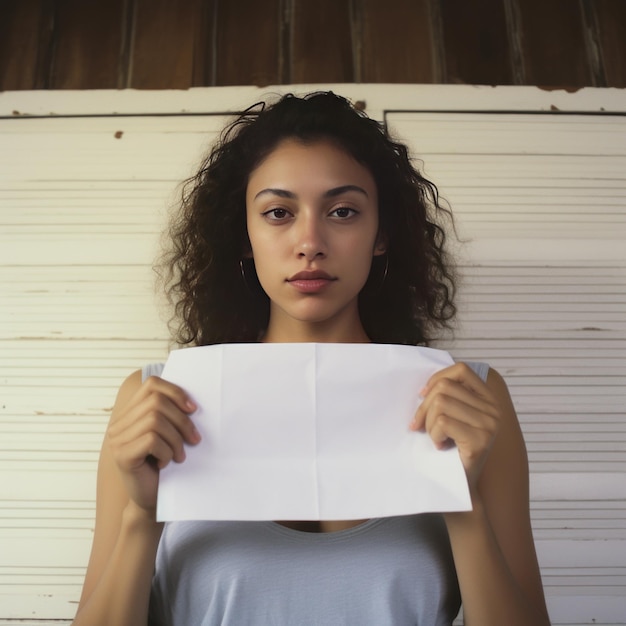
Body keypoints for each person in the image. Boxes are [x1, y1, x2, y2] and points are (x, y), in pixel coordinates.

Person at [73, 91, 550, 626]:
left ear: (381, 235)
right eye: (278, 212)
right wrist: (142, 516)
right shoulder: (155, 401)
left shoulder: (471, 400)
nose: (310, 242)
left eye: (342, 211)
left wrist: (463, 502)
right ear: (245, 237)